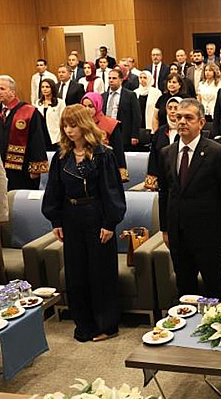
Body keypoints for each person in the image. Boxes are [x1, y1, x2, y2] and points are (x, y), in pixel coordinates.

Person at [41, 104, 126, 342]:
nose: (69, 130)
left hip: (97, 215)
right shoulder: (61, 156)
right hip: (71, 216)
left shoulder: (103, 154)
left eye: (73, 125)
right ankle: (84, 325)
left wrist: (110, 223)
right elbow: (54, 190)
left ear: (84, 125)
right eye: (65, 125)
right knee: (76, 274)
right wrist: (55, 219)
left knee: (100, 273)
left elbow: (112, 192)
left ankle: (107, 326)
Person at [158, 98, 221, 299]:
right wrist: (165, 229)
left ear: (201, 123)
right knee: (184, 286)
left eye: (188, 118)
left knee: (214, 285)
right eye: (179, 117)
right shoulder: (167, 153)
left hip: (208, 232)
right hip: (177, 231)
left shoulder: (217, 153)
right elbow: (164, 193)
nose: (182, 122)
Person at [0, 75, 50, 190]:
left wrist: (35, 169)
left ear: (12, 92)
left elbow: (37, 141)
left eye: (2, 89)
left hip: (22, 169)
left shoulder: (29, 112)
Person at [80, 93, 129, 182]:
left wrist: (121, 171)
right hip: (83, 169)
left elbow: (118, 151)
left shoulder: (111, 124)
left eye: (91, 106)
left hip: (105, 168)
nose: (87, 109)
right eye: (84, 106)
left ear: (98, 105)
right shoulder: (79, 125)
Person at [144, 96, 182, 190]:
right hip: (163, 179)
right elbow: (153, 157)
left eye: (176, 108)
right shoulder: (160, 132)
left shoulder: (185, 131)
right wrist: (152, 179)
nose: (172, 111)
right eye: (170, 108)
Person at [103, 69, 142, 152]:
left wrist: (134, 135)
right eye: (109, 78)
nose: (111, 80)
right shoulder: (103, 96)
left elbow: (136, 116)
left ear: (121, 80)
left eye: (114, 78)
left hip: (123, 134)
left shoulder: (130, 95)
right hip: (106, 134)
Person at [34, 79, 66, 149]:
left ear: (52, 88)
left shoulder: (60, 102)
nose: (44, 89)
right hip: (42, 135)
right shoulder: (38, 103)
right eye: (42, 87)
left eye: (47, 87)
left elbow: (63, 120)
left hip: (56, 136)